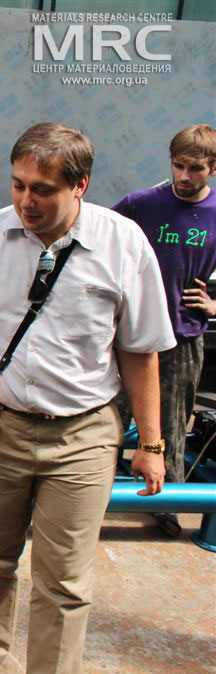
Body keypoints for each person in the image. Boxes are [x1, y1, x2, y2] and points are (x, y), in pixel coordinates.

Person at [0, 122, 174, 674]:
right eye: (17, 185)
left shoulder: (124, 243)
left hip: (85, 435)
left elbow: (141, 352)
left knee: (64, 579)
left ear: (80, 185)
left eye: (42, 190)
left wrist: (151, 445)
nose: (25, 201)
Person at [112, 124, 216, 536]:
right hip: (128, 335)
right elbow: (90, 241)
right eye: (178, 166)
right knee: (107, 418)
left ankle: (166, 502)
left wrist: (213, 305)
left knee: (171, 424)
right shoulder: (140, 205)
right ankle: (89, 490)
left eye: (195, 168)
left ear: (213, 168)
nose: (184, 176)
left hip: (183, 336)